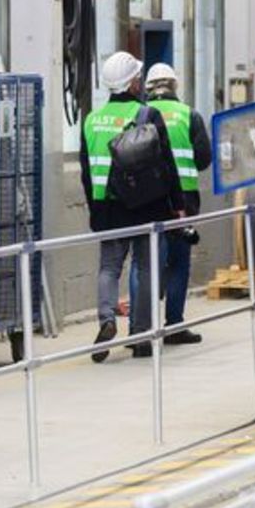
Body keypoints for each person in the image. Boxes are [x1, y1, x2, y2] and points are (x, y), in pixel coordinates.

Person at [80, 52, 185, 361]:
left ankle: (107, 319)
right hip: (144, 205)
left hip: (105, 206)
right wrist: (177, 205)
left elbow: (86, 171)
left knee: (109, 268)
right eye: (138, 78)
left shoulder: (90, 120)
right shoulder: (146, 115)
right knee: (144, 267)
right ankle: (140, 335)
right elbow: (167, 165)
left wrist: (93, 207)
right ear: (132, 82)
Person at [145, 63, 212, 344]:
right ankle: (173, 325)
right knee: (178, 262)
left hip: (150, 199)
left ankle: (143, 328)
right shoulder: (190, 115)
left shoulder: (141, 115)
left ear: (148, 88)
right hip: (184, 199)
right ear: (175, 86)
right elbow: (204, 159)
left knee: (147, 262)